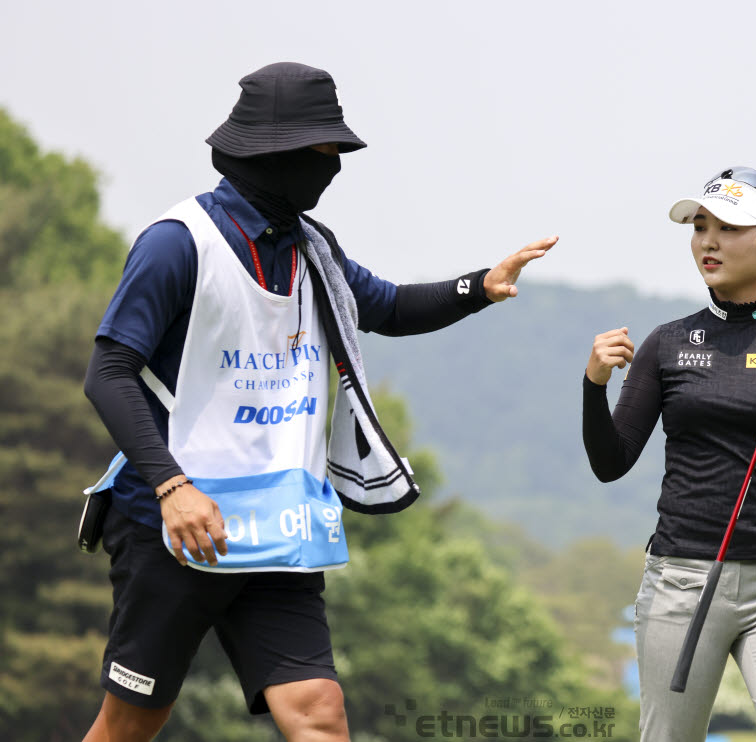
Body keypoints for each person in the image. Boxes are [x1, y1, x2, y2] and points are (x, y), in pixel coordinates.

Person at [81, 62, 557, 742]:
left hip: (278, 528)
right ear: (271, 152)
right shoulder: (176, 244)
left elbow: (387, 306)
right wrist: (171, 487)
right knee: (130, 725)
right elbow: (109, 371)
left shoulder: (314, 248)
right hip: (177, 528)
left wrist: (481, 284)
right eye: (322, 151)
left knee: (319, 714)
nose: (332, 166)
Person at [582, 167, 756, 741]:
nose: (708, 239)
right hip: (679, 582)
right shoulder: (667, 343)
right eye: (701, 225)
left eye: (729, 227)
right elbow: (612, 462)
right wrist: (593, 384)